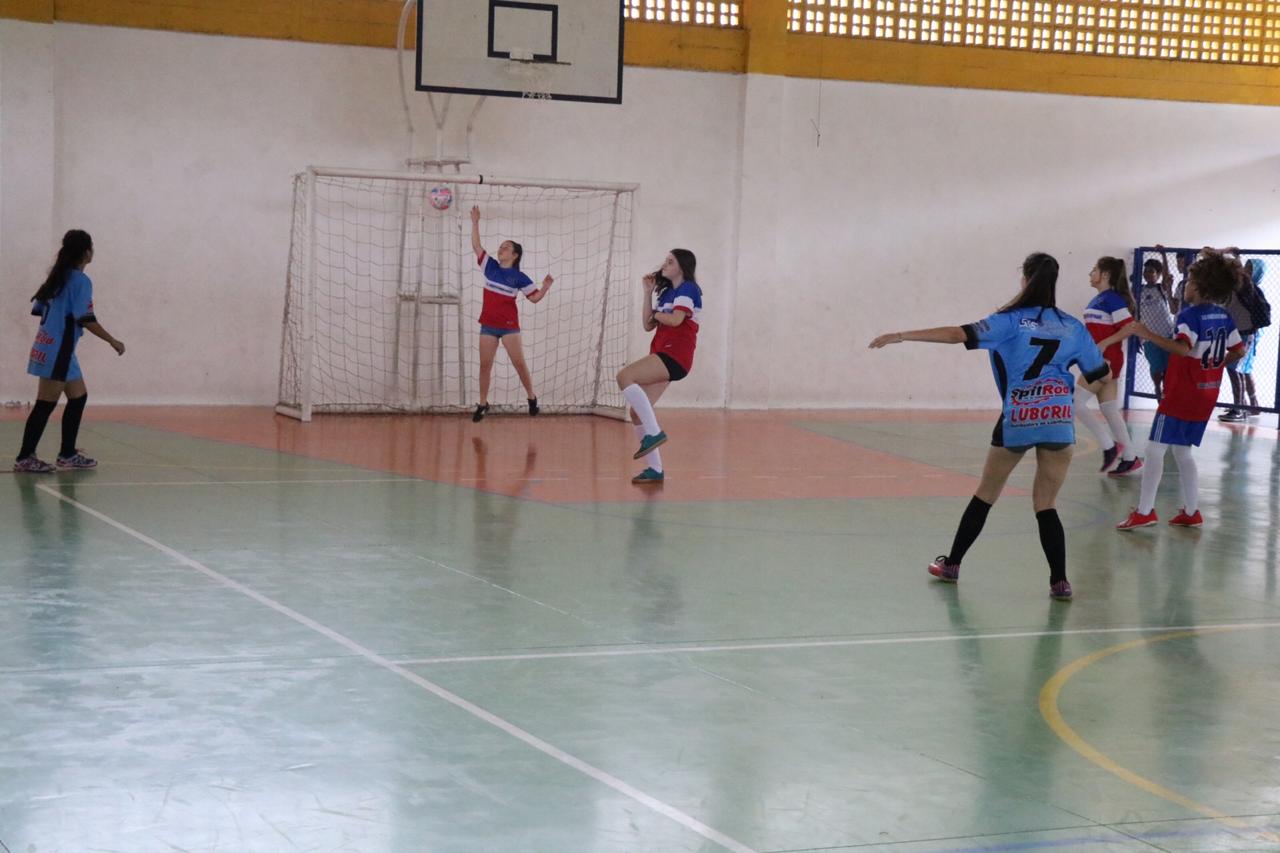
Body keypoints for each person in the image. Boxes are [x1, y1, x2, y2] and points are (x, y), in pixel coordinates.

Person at [869, 252, 1111, 600]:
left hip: (1019, 418)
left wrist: (902, 335)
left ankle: (952, 564)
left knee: (986, 494)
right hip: (1058, 420)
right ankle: (1059, 582)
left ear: (1025, 280)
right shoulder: (1073, 327)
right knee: (1046, 504)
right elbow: (1100, 375)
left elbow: (958, 334)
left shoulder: (1008, 321)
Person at [1117, 250, 1246, 530]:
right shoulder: (1223, 315)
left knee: (1154, 449)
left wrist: (1146, 333)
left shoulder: (1189, 316)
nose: (1185, 286)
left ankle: (1145, 511)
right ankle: (1191, 511)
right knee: (1182, 451)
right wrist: (1215, 365)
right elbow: (1239, 350)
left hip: (1182, 393)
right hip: (1207, 393)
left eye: (1188, 282)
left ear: (1198, 288)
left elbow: (1183, 348)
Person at [14, 229, 125, 473]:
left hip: (52, 346)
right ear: (86, 252)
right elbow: (85, 318)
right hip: (58, 351)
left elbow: (39, 309)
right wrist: (112, 340)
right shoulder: (81, 281)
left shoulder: (57, 276)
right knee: (45, 403)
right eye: (92, 247)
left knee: (78, 397)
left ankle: (67, 454)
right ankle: (24, 457)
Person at [616, 250, 701, 485]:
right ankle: (655, 469)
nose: (665, 264)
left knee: (624, 376)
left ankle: (653, 433)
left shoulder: (689, 289)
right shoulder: (668, 294)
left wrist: (658, 314)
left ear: (682, 267)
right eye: (665, 260)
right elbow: (647, 324)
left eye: (670, 262)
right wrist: (647, 294)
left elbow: (675, 320)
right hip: (663, 353)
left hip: (675, 354)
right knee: (636, 412)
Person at [469, 205, 553, 422]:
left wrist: (545, 287)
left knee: (519, 364)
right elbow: (476, 246)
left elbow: (534, 298)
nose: (501, 249)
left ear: (514, 255)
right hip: (488, 325)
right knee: (485, 366)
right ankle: (482, 403)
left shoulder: (519, 277)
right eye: (500, 247)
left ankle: (531, 397)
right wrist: (475, 222)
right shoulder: (490, 267)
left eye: (506, 248)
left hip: (508, 327)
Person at [1075, 256, 1142, 475]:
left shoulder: (1112, 299)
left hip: (1105, 360)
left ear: (1105, 274)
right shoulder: (1099, 299)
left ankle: (1109, 446)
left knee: (1076, 403)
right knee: (1109, 409)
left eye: (1094, 270)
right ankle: (1130, 458)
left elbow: (1130, 327)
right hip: (1102, 358)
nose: (1090, 273)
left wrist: (1104, 343)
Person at [1136, 256, 1176, 399]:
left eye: (1151, 271)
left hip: (1166, 334)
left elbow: (1166, 277)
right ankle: (1157, 389)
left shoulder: (1161, 288)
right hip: (1148, 336)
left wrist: (1164, 254)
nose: (1147, 274)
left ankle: (1166, 392)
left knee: (1168, 366)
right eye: (1145, 271)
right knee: (1155, 366)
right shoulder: (1139, 290)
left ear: (1158, 274)